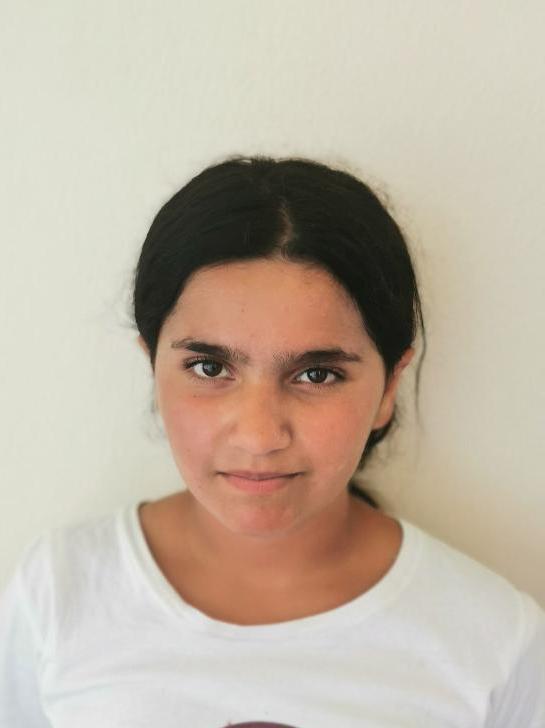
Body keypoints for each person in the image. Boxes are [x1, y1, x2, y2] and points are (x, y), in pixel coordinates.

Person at [0, 155, 543, 727]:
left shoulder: (495, 643)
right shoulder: (59, 592)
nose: (259, 436)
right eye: (210, 368)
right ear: (152, 367)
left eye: (317, 374)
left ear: (389, 386)